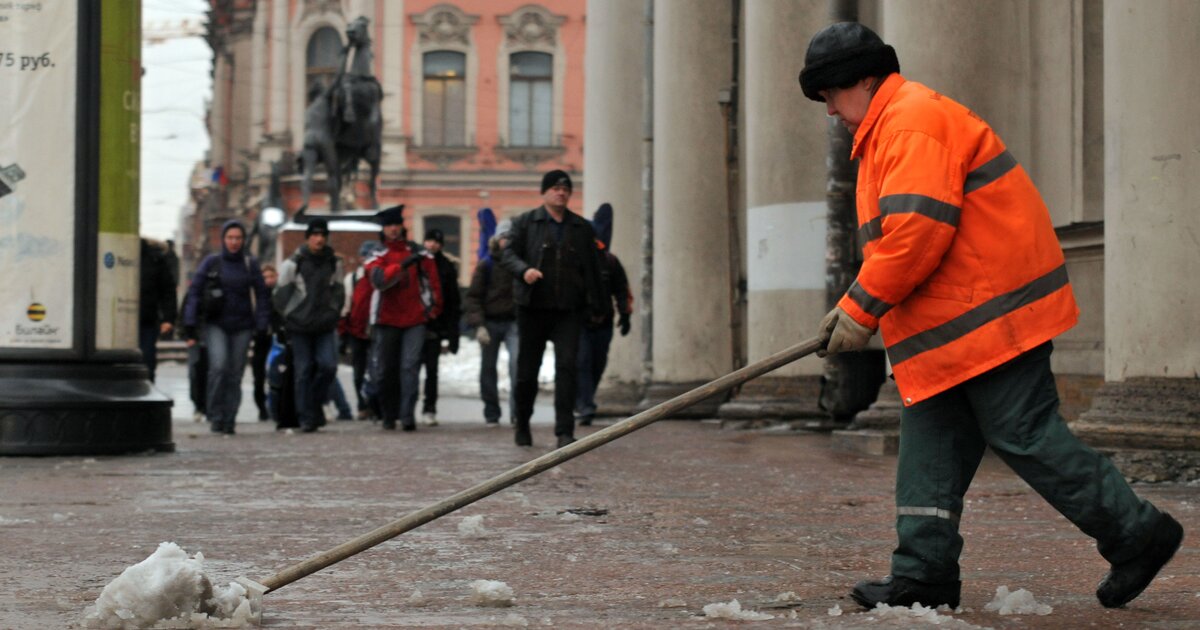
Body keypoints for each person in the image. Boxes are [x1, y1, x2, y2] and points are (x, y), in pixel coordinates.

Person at [798, 22, 1182, 610]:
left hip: (989, 321)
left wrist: (860, 308)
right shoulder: (888, 131)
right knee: (929, 453)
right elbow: (904, 240)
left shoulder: (911, 123)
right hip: (948, 332)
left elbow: (916, 233)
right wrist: (860, 305)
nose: (829, 110)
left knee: (1025, 436)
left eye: (830, 95)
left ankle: (1138, 532)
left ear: (865, 80)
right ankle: (922, 574)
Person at [499, 169, 607, 448]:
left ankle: (564, 430)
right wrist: (524, 271)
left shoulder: (581, 228)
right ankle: (522, 423)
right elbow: (507, 254)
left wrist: (599, 305)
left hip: (568, 310)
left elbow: (593, 269)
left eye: (565, 188)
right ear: (544, 192)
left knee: (568, 368)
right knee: (527, 372)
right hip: (533, 307)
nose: (561, 192)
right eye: (555, 188)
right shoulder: (525, 223)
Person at [182, 220, 270, 434]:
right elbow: (195, 292)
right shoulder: (211, 262)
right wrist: (190, 322)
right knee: (219, 367)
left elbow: (261, 295)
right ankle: (215, 414)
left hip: (243, 325)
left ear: (243, 240)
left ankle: (229, 418)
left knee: (235, 373)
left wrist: (261, 323)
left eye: (238, 238)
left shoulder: (250, 264)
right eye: (230, 238)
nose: (234, 242)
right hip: (216, 324)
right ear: (223, 239)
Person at [365, 205, 443, 431]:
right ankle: (389, 414)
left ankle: (407, 415)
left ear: (401, 226)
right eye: (388, 225)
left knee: (410, 367)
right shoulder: (376, 254)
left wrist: (432, 310)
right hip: (386, 319)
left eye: (395, 225)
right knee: (386, 370)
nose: (392, 229)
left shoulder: (421, 253)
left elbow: (434, 283)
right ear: (383, 228)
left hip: (415, 319)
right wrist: (401, 266)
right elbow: (379, 281)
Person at [273, 218, 345, 433]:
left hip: (324, 324)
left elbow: (339, 291)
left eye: (323, 235)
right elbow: (280, 295)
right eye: (315, 235)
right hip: (300, 326)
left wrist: (333, 312)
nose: (319, 239)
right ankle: (306, 417)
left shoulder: (334, 262)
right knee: (303, 371)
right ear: (308, 237)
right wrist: (291, 316)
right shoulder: (294, 263)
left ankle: (313, 405)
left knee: (328, 366)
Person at [575, 203, 632, 427]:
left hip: (603, 321)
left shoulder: (610, 261)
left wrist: (625, 314)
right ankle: (586, 405)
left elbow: (621, 289)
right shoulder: (575, 260)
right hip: (579, 322)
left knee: (598, 363)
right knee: (583, 362)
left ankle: (583, 399)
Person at [464, 218, 519, 425]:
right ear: (497, 239)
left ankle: (517, 413)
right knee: (488, 368)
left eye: (510, 238)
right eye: (504, 237)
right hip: (490, 322)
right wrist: (479, 325)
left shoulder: (520, 264)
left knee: (517, 366)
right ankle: (491, 411)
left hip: (514, 322)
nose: (507, 241)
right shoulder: (486, 264)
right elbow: (473, 296)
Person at [418, 228, 462, 426]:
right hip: (415, 323)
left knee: (432, 370)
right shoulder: (416, 262)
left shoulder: (447, 267)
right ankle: (405, 407)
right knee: (409, 368)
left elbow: (453, 301)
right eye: (429, 240)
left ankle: (429, 408)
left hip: (436, 325)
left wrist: (452, 334)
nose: (432, 245)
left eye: (436, 242)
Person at [341, 240, 383, 419]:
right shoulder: (351, 279)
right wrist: (343, 332)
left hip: (377, 328)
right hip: (356, 330)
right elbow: (346, 306)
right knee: (358, 371)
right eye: (365, 256)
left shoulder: (380, 276)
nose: (367, 260)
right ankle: (362, 404)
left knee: (376, 369)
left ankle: (376, 405)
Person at [138, 237, 178, 383]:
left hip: (147, 319)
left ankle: (146, 396)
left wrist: (168, 318)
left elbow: (168, 290)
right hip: (121, 321)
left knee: (147, 361)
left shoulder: (155, 258)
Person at [250, 263, 279, 420]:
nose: (268, 280)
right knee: (259, 375)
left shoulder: (280, 294)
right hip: (260, 338)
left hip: (276, 337)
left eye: (271, 276)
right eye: (265, 277)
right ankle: (262, 407)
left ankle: (274, 406)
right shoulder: (256, 296)